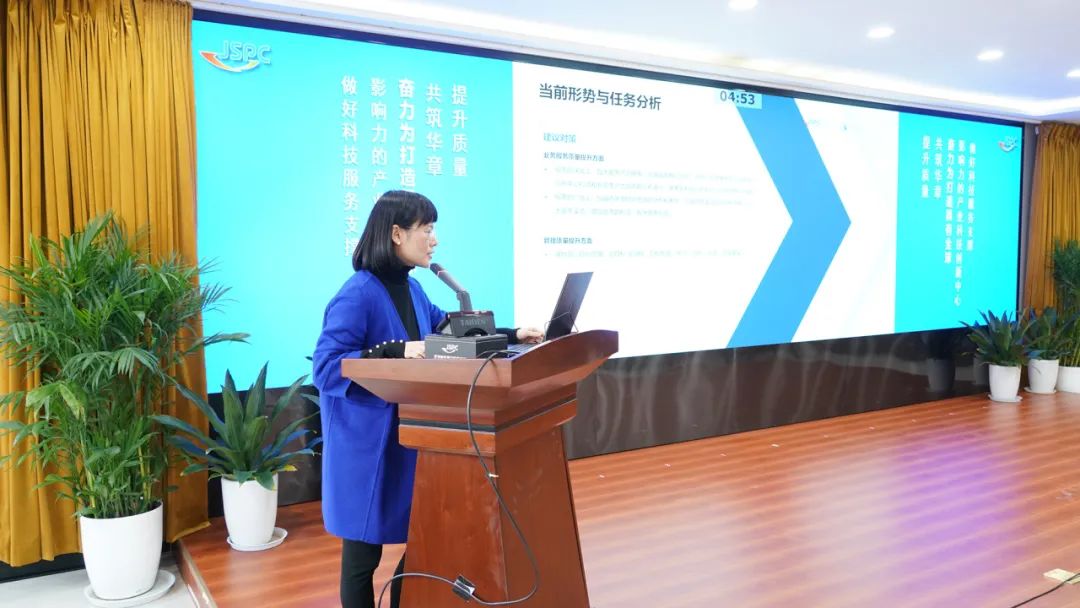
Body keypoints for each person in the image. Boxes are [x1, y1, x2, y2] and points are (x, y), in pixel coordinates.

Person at [312, 190, 542, 608]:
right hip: (367, 446)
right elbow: (327, 367)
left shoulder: (413, 289)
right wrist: (398, 351)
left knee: (421, 539)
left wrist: (513, 334)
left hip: (409, 435)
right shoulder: (357, 294)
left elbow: (449, 330)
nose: (434, 240)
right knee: (362, 559)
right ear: (396, 234)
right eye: (427, 229)